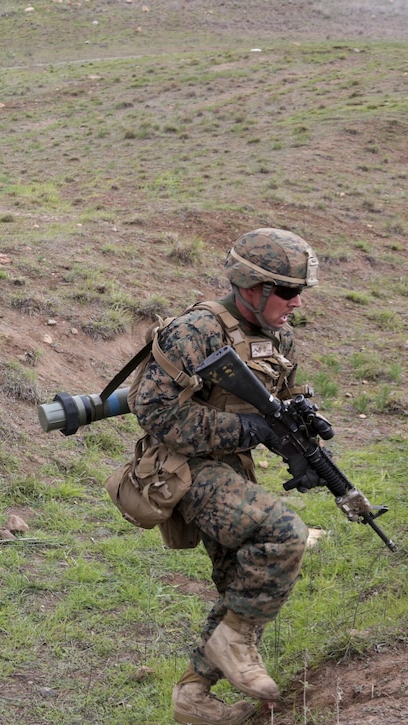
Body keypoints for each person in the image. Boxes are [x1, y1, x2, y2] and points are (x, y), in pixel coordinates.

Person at [128, 229, 318, 724]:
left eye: (301, 292)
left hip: (231, 467)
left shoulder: (280, 334)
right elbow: (150, 409)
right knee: (283, 533)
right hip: (181, 467)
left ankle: (193, 698)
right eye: (287, 291)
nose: (296, 302)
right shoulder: (197, 330)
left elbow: (281, 395)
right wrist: (245, 427)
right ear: (251, 287)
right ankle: (233, 646)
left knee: (241, 584)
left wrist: (300, 428)